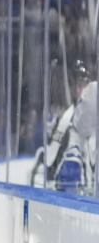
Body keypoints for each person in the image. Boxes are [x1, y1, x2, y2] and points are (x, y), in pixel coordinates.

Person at [30, 60, 93, 192]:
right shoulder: (64, 119)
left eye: (84, 85)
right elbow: (50, 157)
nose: (80, 90)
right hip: (71, 193)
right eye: (78, 85)